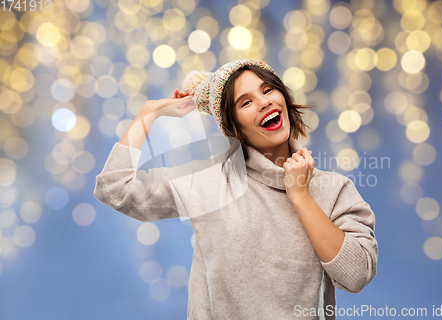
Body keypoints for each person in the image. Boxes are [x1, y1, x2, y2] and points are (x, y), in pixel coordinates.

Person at [94, 59, 378, 319]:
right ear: (234, 128)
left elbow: (356, 275)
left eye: (268, 90)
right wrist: (148, 115)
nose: (264, 102)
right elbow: (115, 188)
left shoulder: (333, 190)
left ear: (284, 98)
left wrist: (301, 197)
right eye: (246, 102)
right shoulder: (211, 182)